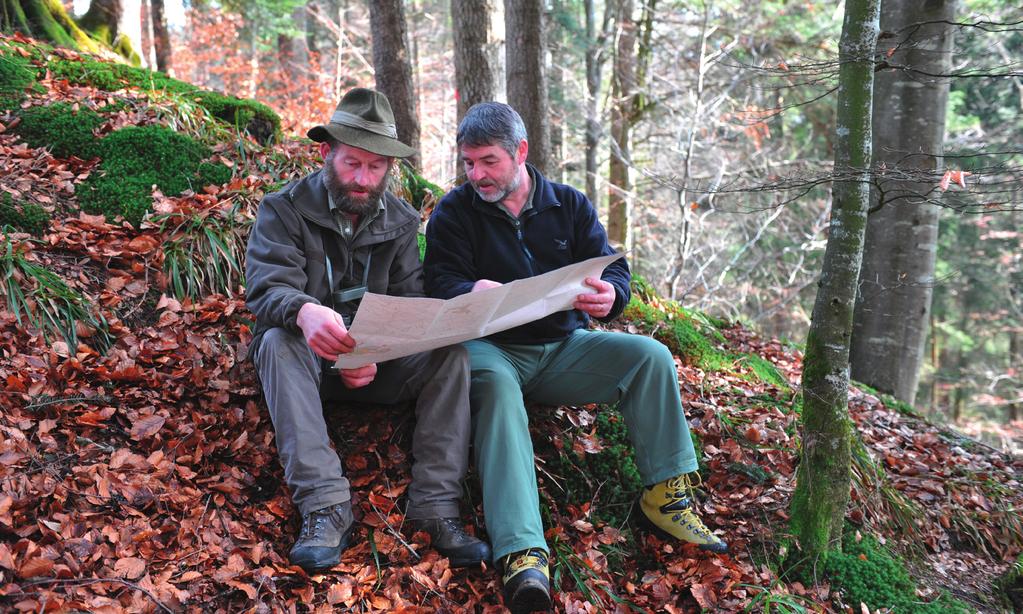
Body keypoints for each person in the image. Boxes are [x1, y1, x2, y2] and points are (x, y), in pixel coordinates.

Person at [424, 102, 728, 612]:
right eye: (469, 163)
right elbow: (438, 284)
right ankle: (522, 554)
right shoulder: (455, 213)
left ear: (521, 152)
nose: (476, 174)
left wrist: (612, 296)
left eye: (488, 161)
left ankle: (666, 495)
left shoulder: (568, 204)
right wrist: (470, 289)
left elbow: (614, 268)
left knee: (649, 356)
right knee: (497, 392)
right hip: (490, 351)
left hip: (564, 347)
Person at [245, 88, 490, 573]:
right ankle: (324, 506)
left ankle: (436, 508)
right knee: (275, 341)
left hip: (374, 365)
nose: (363, 179)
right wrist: (304, 311)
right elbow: (266, 289)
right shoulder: (284, 208)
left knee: (451, 355)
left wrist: (377, 349)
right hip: (306, 362)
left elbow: (409, 301)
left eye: (376, 168)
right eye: (353, 164)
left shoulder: (400, 220)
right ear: (326, 154)